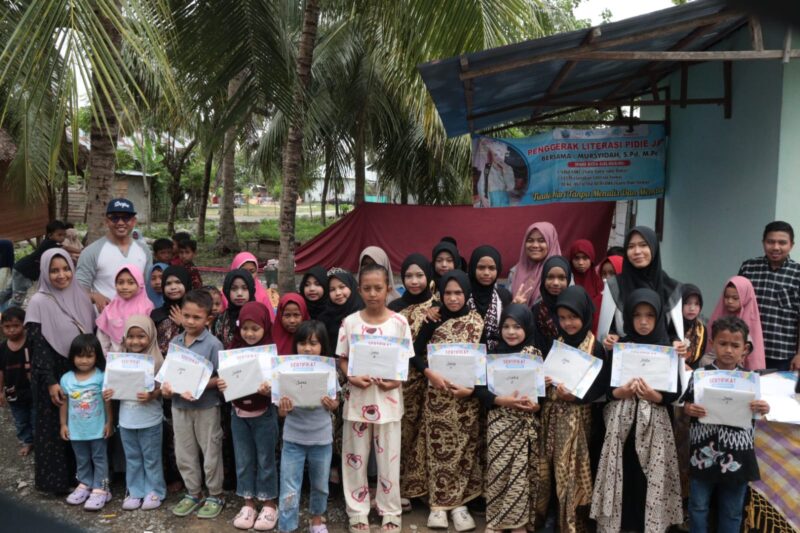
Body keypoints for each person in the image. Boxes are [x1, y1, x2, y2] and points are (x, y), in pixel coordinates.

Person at [591, 288, 683, 532]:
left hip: (655, 427)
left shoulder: (666, 348)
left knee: (650, 475)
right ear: (629, 317)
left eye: (650, 315)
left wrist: (656, 396)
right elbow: (606, 387)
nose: (643, 321)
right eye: (637, 315)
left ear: (659, 317)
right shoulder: (621, 346)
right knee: (623, 472)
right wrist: (620, 392)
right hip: (622, 426)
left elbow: (674, 391)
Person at [336, 264, 413, 532]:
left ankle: (390, 510)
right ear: (359, 290)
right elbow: (342, 358)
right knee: (354, 457)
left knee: (389, 458)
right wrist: (351, 377)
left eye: (378, 288)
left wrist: (396, 381)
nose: (372, 293)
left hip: (388, 402)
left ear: (388, 289)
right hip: (358, 400)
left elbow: (404, 364)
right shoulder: (350, 322)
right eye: (367, 288)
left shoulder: (399, 323)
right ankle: (357, 511)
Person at [411, 270, 485, 531]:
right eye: (448, 293)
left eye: (458, 293)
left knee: (464, 451)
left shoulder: (477, 322)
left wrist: (471, 390)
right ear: (441, 294)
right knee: (438, 449)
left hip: (466, 399)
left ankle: (459, 505)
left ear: (467, 294)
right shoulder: (434, 319)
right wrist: (429, 372)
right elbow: (414, 353)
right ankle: (438, 505)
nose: (453, 298)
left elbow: (483, 361)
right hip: (437, 398)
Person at [683, 316, 770, 533]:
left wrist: (763, 408)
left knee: (732, 510)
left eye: (735, 345)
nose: (729, 350)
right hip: (702, 452)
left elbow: (759, 411)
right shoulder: (700, 375)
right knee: (698, 506)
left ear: (745, 349)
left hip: (738, 454)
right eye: (723, 344)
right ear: (712, 344)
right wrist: (689, 408)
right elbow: (686, 404)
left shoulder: (751, 380)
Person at [538, 286, 608, 533]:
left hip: (579, 422)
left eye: (573, 317)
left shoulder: (595, 348)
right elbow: (543, 379)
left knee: (571, 472)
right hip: (551, 419)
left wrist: (576, 397)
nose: (568, 323)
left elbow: (601, 387)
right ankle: (550, 515)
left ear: (585, 315)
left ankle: (570, 520)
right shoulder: (556, 345)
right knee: (549, 470)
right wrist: (543, 382)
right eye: (563, 318)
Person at [25, 249, 95, 494]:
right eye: (54, 270)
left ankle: (83, 477)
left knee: (83, 421)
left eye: (65, 269)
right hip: (52, 373)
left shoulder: (81, 296)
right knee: (54, 427)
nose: (61, 275)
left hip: (81, 370)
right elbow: (37, 346)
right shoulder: (38, 302)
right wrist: (50, 381)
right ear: (45, 272)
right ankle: (56, 482)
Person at [476, 304, 543, 533]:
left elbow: (540, 398)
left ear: (527, 328)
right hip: (499, 423)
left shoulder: (534, 355)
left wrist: (535, 407)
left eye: (517, 326)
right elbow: (480, 390)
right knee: (498, 471)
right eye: (506, 326)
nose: (511, 332)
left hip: (524, 423)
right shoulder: (493, 354)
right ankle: (496, 521)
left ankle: (518, 524)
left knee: (520, 476)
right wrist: (501, 400)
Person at [160, 290, 225, 519]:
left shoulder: (214, 345)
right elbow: (168, 376)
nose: (190, 321)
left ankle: (215, 494)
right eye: (186, 315)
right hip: (179, 407)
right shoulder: (176, 342)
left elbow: (221, 379)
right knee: (184, 452)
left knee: (211, 452)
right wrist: (167, 388)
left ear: (208, 319)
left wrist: (198, 385)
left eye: (197, 317)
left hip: (206, 407)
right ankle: (193, 492)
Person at [217, 302, 278, 531]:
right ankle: (248, 502)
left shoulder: (270, 353)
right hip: (238, 413)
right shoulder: (233, 350)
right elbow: (228, 380)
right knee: (243, 460)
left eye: (255, 328)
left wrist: (270, 389)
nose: (249, 333)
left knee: (266, 459)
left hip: (264, 413)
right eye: (245, 328)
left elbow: (279, 384)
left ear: (265, 326)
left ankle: (269, 503)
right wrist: (222, 384)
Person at [278, 320, 339, 533]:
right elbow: (281, 412)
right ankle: (287, 525)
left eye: (313, 343)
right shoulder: (286, 370)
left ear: (323, 345)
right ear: (295, 345)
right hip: (293, 439)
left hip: (321, 439)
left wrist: (331, 404)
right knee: (289, 486)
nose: (307, 348)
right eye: (302, 343)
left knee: (320, 485)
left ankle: (317, 521)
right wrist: (284, 408)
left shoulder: (328, 371)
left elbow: (335, 403)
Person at [103, 315, 166, 511]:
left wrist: (152, 395)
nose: (135, 341)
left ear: (151, 336)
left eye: (141, 336)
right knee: (132, 458)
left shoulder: (157, 361)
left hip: (150, 420)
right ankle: (135, 491)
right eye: (130, 336)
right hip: (127, 420)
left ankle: (155, 491)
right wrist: (108, 393)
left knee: (151, 458)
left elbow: (164, 389)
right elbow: (110, 388)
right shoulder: (118, 361)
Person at [388, 254, 435, 508]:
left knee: (425, 433)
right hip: (402, 380)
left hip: (429, 378)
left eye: (419, 275)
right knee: (403, 433)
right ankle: (401, 486)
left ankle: (424, 488)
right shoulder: (394, 307)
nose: (414, 281)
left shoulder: (437, 305)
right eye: (408, 276)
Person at [600, 226, 684, 347]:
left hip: (661, 355)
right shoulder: (614, 286)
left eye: (643, 245)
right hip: (624, 355)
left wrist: (676, 341)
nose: (637, 251)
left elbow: (674, 332)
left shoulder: (671, 288)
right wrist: (611, 336)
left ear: (653, 247)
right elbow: (608, 328)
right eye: (631, 246)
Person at [737, 221, 800, 371]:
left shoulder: (797, 273)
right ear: (763, 242)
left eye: (782, 243)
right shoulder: (748, 268)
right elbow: (735, 307)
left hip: (782, 355)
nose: (776, 247)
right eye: (770, 242)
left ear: (791, 245)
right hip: (747, 351)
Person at [60, 334, 113, 511]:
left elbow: (107, 402)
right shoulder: (66, 379)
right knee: (81, 459)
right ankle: (85, 484)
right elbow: (64, 402)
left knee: (100, 459)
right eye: (80, 356)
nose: (84, 360)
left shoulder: (101, 377)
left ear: (97, 356)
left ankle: (102, 488)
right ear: (72, 356)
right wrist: (63, 424)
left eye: (89, 356)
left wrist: (109, 422)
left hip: (98, 429)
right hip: (76, 430)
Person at [76, 199, 152, 312]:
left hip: (137, 320)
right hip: (104, 320)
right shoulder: (91, 252)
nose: (120, 222)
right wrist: (93, 296)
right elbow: (78, 290)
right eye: (114, 218)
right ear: (107, 221)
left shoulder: (144, 250)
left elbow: (148, 287)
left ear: (133, 221)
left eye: (126, 218)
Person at [1, 220, 67, 308]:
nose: (63, 238)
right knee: (17, 300)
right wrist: (79, 251)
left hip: (19, 268)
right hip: (24, 273)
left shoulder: (48, 243)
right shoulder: (51, 244)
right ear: (50, 235)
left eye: (64, 235)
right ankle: (11, 315)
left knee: (7, 292)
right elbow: (65, 249)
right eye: (60, 235)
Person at [707, 276, 765, 370]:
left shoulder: (752, 322)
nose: (730, 301)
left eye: (735, 298)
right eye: (726, 297)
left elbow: (754, 358)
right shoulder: (717, 317)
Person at [0, 307, 35, 456]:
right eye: (7, 327)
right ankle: (27, 441)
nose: (11, 330)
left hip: (32, 390)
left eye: (16, 325)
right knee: (20, 420)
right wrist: (0, 391)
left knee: (35, 418)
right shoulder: (2, 349)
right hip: (13, 392)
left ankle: (39, 441)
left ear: (24, 325)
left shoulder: (31, 343)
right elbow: (1, 371)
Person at [95, 265, 154, 354]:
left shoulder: (148, 308)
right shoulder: (109, 309)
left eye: (131, 283)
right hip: (114, 359)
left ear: (140, 284)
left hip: (142, 358)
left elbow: (152, 339)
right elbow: (102, 341)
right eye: (120, 282)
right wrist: (107, 359)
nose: (125, 287)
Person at [467, 245, 512, 351]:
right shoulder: (462, 294)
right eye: (481, 268)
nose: (486, 273)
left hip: (497, 355)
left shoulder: (503, 296)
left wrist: (515, 308)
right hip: (467, 355)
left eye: (492, 268)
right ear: (473, 268)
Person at [509, 222, 562, 306]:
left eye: (541, 241)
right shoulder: (515, 272)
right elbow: (506, 307)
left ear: (551, 242)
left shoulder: (562, 272)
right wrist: (514, 306)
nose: (535, 245)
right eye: (530, 240)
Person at [531, 256, 571, 355]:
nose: (556, 283)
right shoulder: (537, 310)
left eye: (561, 278)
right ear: (543, 278)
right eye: (550, 277)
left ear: (568, 280)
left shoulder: (574, 309)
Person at [318, 271, 363, 354]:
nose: (338, 293)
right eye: (332, 289)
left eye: (342, 287)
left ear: (352, 287)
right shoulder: (324, 318)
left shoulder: (365, 315)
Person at [150, 265, 191, 356]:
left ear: (186, 283)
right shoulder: (156, 314)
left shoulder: (194, 312)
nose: (173, 287)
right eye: (168, 283)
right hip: (159, 361)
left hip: (186, 360)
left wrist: (183, 324)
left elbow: (201, 338)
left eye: (178, 282)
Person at [212, 269, 256, 349]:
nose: (239, 293)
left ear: (251, 290)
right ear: (227, 290)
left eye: (244, 288)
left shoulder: (260, 317)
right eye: (234, 288)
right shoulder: (220, 320)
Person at [568, 239, 604, 332]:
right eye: (576, 258)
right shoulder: (567, 280)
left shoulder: (599, 283)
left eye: (585, 258)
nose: (581, 262)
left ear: (591, 258)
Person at [228, 252, 275, 318]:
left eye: (252, 271)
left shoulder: (262, 296)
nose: (248, 275)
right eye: (243, 271)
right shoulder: (225, 295)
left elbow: (269, 320)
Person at [681, 284, 708, 369]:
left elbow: (699, 357)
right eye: (687, 303)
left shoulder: (701, 330)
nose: (692, 308)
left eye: (696, 304)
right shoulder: (670, 325)